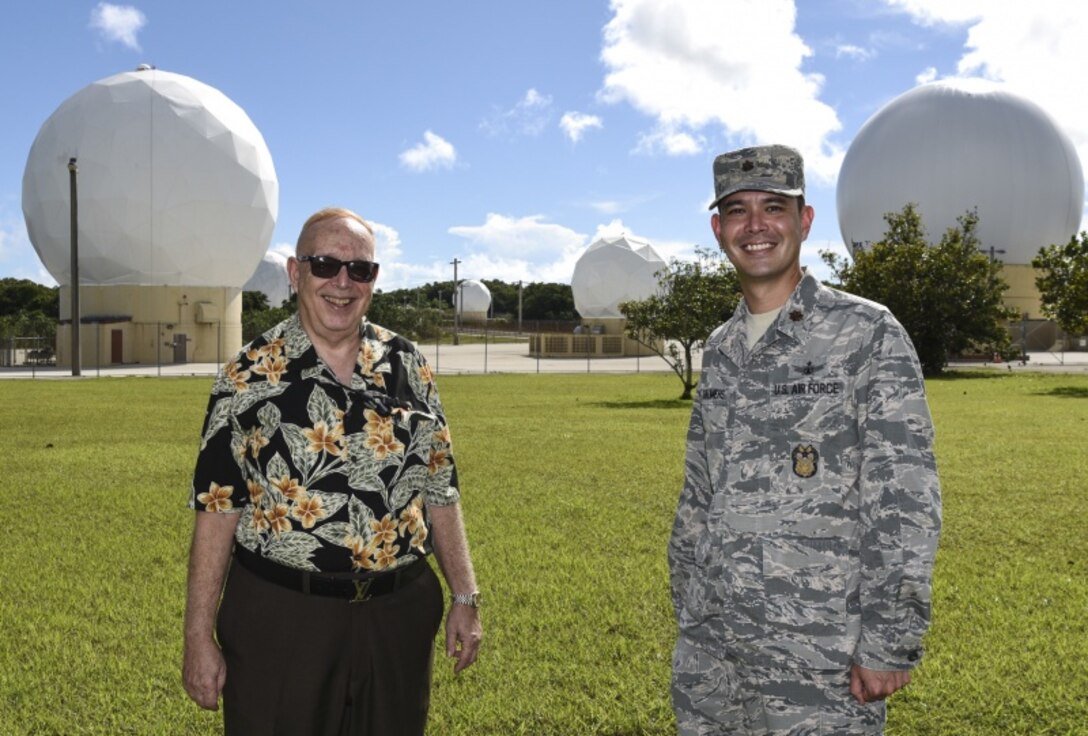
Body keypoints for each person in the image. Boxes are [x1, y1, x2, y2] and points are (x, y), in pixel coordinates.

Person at [669, 145, 941, 735]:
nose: (756, 225)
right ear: (718, 229)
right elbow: (698, 491)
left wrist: (890, 637)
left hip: (820, 651)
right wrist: (686, 601)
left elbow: (905, 495)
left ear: (805, 220)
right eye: (737, 211)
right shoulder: (721, 349)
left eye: (774, 207)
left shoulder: (867, 333)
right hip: (714, 647)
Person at [182, 207, 482, 735]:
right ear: (296, 273)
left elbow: (440, 489)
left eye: (359, 269)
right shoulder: (246, 377)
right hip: (283, 619)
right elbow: (217, 510)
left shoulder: (407, 365)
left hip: (396, 616)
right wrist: (197, 636)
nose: (342, 282)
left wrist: (465, 596)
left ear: (374, 280)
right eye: (325, 264)